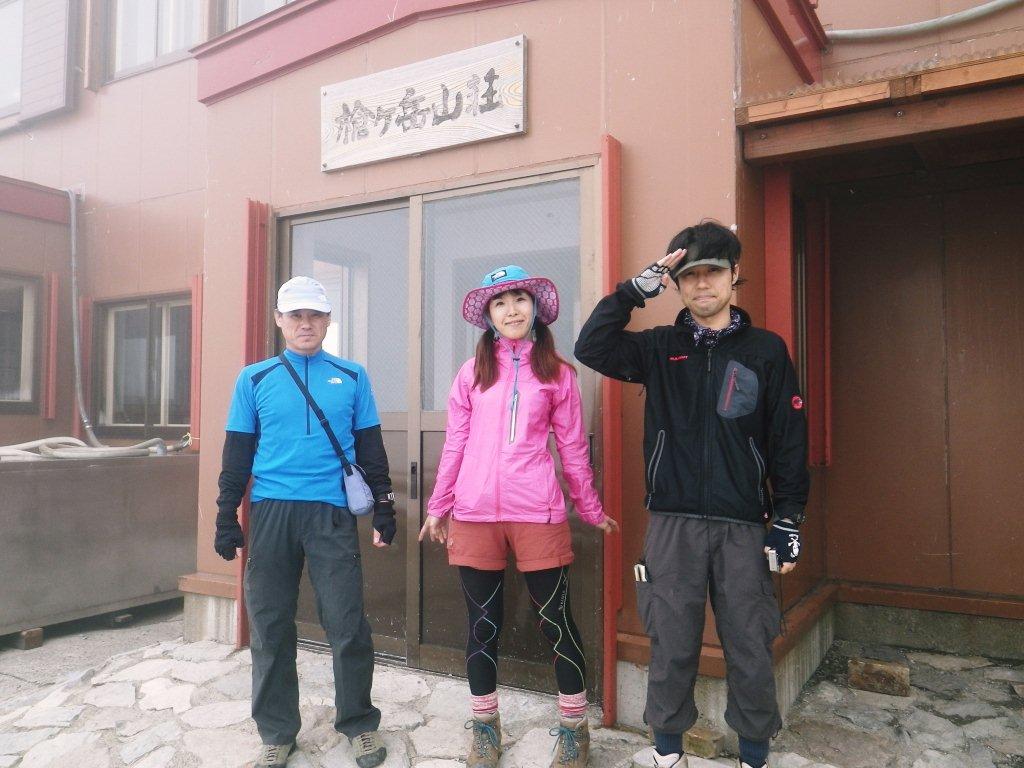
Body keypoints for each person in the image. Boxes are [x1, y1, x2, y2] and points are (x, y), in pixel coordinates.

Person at [574, 222, 809, 768]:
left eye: (713, 272)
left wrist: (789, 517)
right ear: (676, 284)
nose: (702, 284)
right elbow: (591, 346)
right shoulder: (660, 348)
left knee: (749, 643)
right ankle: (668, 753)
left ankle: (754, 755)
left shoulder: (766, 350)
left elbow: (788, 439)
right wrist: (632, 292)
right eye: (690, 275)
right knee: (672, 641)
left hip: (743, 525)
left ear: (734, 275)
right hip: (672, 523)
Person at [418, 265, 619, 768]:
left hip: (537, 511)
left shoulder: (558, 374)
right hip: (474, 512)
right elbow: (455, 444)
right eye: (500, 302)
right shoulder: (471, 373)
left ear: (536, 309)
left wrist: (589, 507)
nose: (512, 310)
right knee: (483, 624)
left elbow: (572, 449)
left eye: (520, 299)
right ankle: (485, 727)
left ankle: (574, 728)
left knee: (556, 621)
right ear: (489, 315)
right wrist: (439, 506)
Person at [214, 276, 398, 768]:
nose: (305, 323)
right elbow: (237, 453)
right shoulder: (254, 379)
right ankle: (277, 732)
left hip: (330, 513)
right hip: (271, 511)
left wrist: (384, 506)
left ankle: (359, 724)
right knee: (270, 624)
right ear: (279, 320)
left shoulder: (352, 376)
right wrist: (226, 515)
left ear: (328, 320)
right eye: (295, 315)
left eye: (315, 315)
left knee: (347, 623)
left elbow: (371, 447)